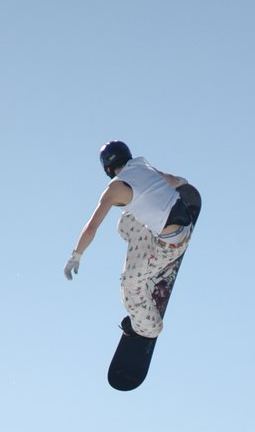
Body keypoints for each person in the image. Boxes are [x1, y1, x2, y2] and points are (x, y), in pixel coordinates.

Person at [64, 141, 193, 339]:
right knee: (126, 221)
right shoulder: (141, 164)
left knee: (129, 287)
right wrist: (185, 184)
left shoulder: (113, 189)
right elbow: (171, 179)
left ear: (107, 169)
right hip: (185, 225)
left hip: (171, 245)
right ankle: (148, 267)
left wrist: (76, 255)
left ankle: (147, 327)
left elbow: (91, 228)